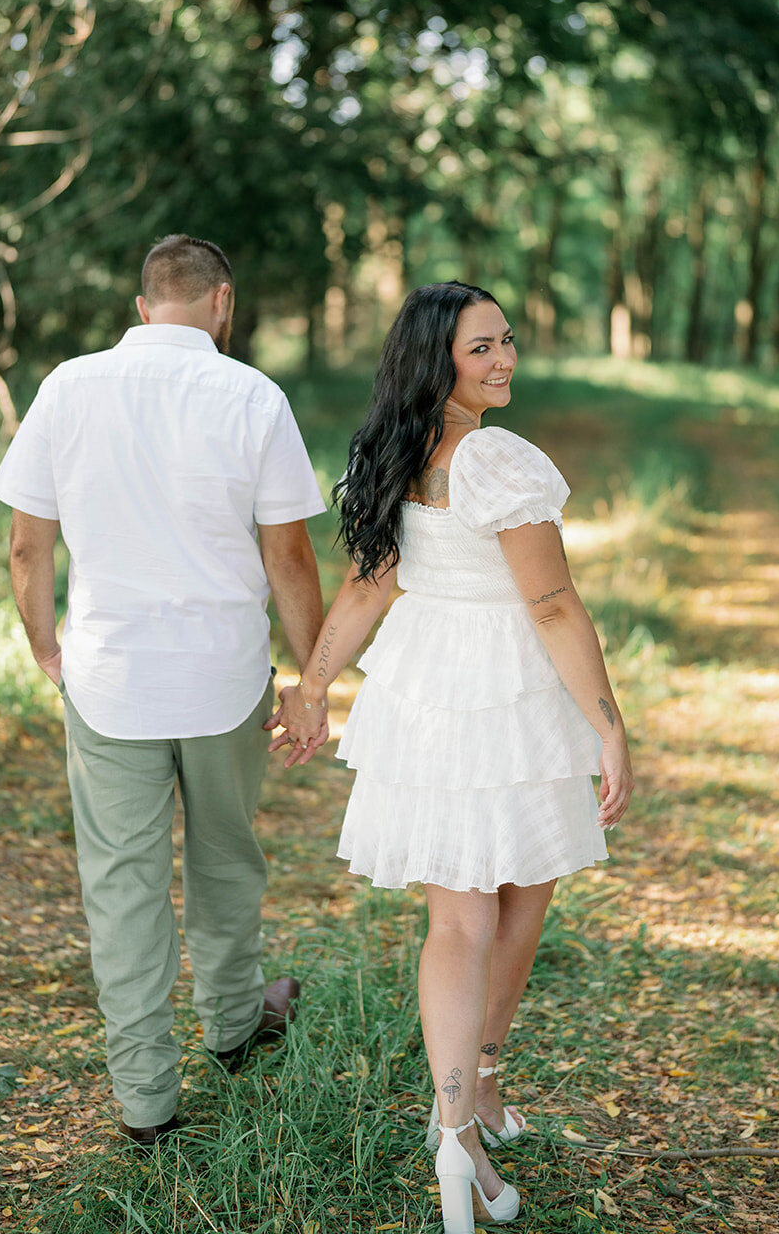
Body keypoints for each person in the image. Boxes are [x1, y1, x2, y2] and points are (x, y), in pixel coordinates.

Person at [271, 281, 634, 1234]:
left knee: (472, 911)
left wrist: (313, 686)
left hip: (422, 688)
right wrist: (608, 722)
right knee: (506, 895)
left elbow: (364, 587)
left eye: (507, 340)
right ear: (438, 360)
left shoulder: (390, 450)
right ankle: (461, 1116)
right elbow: (551, 606)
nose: (504, 358)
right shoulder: (496, 459)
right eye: (482, 348)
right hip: (499, 688)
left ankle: (464, 1111)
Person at [0, 234, 327, 1148]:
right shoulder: (253, 395)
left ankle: (146, 1104)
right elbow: (288, 555)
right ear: (221, 302)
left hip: (109, 680)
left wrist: (46, 646)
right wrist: (311, 681)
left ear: (144, 308)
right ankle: (231, 1029)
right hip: (221, 676)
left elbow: (28, 546)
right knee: (226, 856)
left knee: (122, 887)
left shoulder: (67, 387)